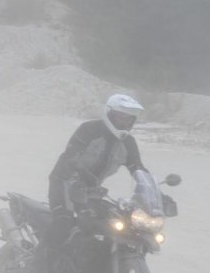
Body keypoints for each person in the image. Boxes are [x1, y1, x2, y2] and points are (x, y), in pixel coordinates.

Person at [46, 94, 147, 251]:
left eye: (129, 119)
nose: (125, 122)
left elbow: (138, 168)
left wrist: (155, 192)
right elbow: (70, 158)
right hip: (64, 183)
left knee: (110, 225)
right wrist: (76, 177)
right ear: (109, 114)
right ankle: (39, 263)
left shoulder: (128, 142)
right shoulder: (89, 130)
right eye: (121, 117)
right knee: (63, 224)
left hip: (91, 191)